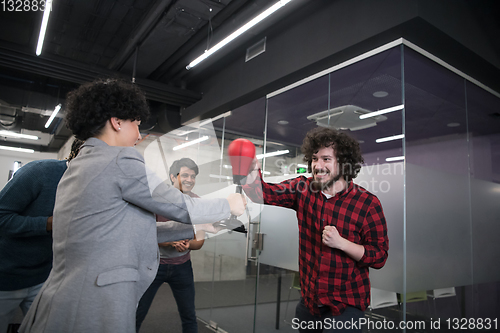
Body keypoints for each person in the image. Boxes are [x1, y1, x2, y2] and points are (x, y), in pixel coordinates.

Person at [18, 79, 246, 333]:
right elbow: (178, 204)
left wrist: (195, 227)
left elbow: (122, 230)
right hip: (96, 299)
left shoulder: (81, 163)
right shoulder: (120, 159)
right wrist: (227, 204)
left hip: (67, 295)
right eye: (136, 125)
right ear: (117, 121)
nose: (138, 136)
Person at [243, 127, 389, 333]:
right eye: (314, 159)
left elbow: (379, 256)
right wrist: (250, 172)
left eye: (326, 159)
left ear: (344, 163)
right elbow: (264, 194)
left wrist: (342, 243)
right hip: (310, 302)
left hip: (345, 304)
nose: (317, 166)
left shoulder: (367, 203)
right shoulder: (303, 189)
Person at [0, 138, 83, 333]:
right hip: (6, 276)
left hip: (44, 278)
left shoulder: (94, 186)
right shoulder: (39, 172)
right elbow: (2, 217)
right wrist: (47, 223)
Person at [136, 157, 204, 333]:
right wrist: (169, 242)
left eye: (193, 176)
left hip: (182, 267)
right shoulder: (157, 199)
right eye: (185, 175)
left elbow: (200, 241)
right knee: (137, 313)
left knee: (189, 315)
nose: (190, 180)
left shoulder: (198, 203)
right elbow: (143, 235)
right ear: (173, 177)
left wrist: (187, 245)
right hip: (153, 266)